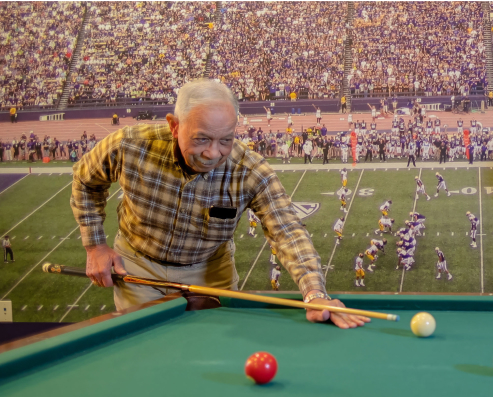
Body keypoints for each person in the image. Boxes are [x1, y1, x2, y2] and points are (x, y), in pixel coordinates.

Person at [70, 79, 367, 329]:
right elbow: (86, 179)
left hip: (210, 270)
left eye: (226, 140)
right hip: (138, 265)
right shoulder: (130, 144)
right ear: (174, 126)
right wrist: (95, 246)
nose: (213, 153)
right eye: (201, 139)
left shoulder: (251, 170)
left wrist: (314, 292)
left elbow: (287, 230)